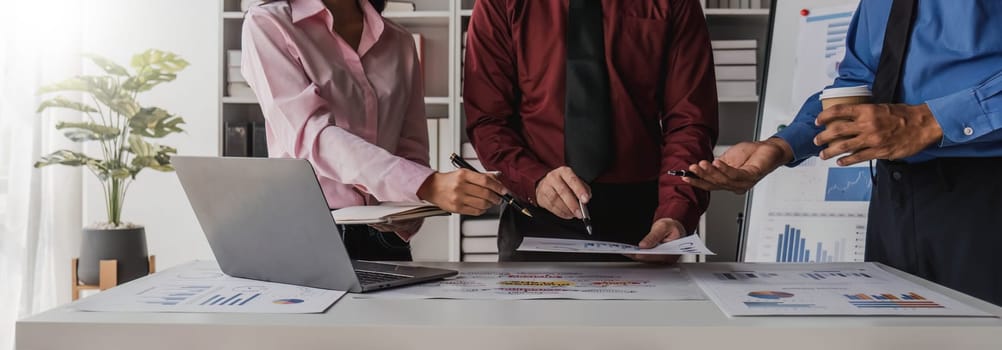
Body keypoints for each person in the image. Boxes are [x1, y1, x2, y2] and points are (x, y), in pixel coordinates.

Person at [685, 0, 1002, 305]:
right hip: (894, 200)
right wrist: (781, 146)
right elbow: (857, 82)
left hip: (984, 196)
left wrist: (930, 122)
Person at [242, 0, 507, 261]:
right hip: (307, 234)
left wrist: (405, 214)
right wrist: (426, 184)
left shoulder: (399, 41)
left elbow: (411, 148)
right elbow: (312, 135)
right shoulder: (269, 23)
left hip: (384, 238)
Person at [464, 0, 718, 262]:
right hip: (537, 212)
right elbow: (488, 122)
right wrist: (535, 181)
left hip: (647, 221)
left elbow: (690, 121)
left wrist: (676, 211)